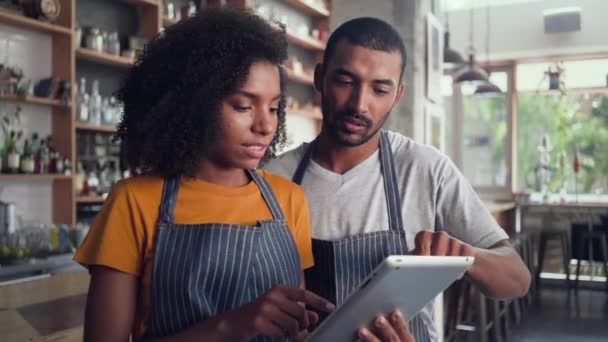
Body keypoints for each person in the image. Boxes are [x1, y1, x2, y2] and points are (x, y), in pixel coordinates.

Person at [74, 7, 334, 341]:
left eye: (273, 108)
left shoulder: (289, 200)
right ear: (193, 103)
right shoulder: (135, 202)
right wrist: (229, 327)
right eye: (243, 106)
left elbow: (296, 327)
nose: (265, 125)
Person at [263, 17, 531, 342]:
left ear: (397, 95)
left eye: (379, 89)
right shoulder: (274, 178)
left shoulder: (426, 168)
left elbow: (517, 280)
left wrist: (465, 255)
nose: (359, 104)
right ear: (320, 78)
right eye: (346, 81)